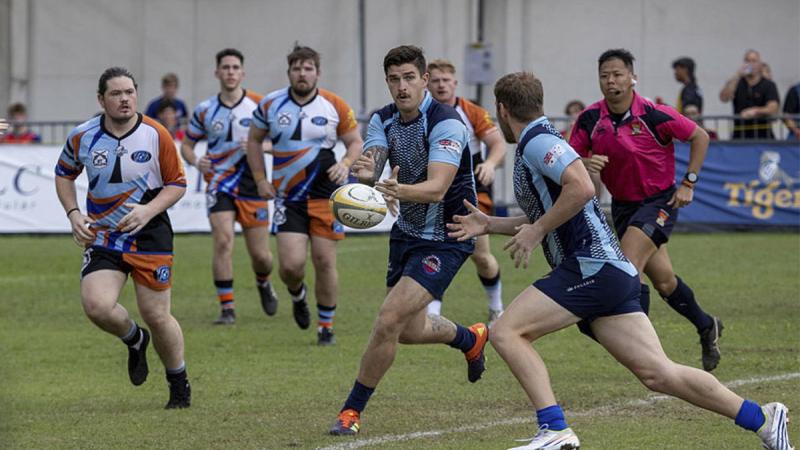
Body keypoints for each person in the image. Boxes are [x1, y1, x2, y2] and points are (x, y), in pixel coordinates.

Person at [448, 70, 792, 450]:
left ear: (502, 109)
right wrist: (490, 224)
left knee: (506, 331)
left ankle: (554, 428)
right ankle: (763, 419)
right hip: (609, 271)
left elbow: (581, 188)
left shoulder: (537, 141)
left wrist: (538, 229)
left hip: (591, 266)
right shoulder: (542, 139)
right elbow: (552, 210)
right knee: (659, 373)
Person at [327, 45, 489, 436]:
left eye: (409, 78)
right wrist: (366, 175)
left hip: (449, 235)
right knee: (409, 330)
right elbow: (372, 167)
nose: (402, 87)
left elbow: (437, 188)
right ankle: (470, 338)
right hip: (407, 233)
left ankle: (351, 411)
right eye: (394, 79)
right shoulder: (382, 119)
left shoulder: (447, 122)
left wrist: (392, 189)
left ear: (424, 80)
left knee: (387, 320)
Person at [569, 49, 723, 372]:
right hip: (623, 208)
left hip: (659, 203)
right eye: (604, 76)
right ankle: (707, 325)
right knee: (665, 283)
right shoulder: (589, 119)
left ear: (632, 78)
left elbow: (699, 136)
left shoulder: (654, 114)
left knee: (628, 267)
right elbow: (568, 159)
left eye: (617, 74)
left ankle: (646, 355)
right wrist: (584, 161)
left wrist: (689, 183)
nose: (611, 81)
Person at [53, 67, 191, 409]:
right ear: (101, 100)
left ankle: (178, 382)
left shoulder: (156, 134)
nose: (125, 99)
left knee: (156, 315)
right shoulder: (82, 135)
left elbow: (177, 184)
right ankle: (134, 338)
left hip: (150, 236)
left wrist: (147, 211)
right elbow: (63, 174)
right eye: (116, 93)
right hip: (104, 235)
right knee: (97, 306)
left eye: (130, 92)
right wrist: (73, 214)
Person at [246, 45, 363, 345]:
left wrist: (345, 164)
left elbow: (355, 142)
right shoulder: (270, 104)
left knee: (324, 260)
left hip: (325, 195)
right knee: (290, 266)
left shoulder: (334, 104)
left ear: (317, 73)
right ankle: (298, 294)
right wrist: (260, 179)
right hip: (288, 197)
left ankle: (326, 327)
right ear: (289, 73)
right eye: (297, 68)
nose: (302, 73)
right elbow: (254, 141)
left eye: (308, 68)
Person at [181, 48, 278, 325]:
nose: (230, 72)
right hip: (219, 183)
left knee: (261, 256)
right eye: (225, 67)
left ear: (242, 73)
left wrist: (261, 146)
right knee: (223, 242)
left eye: (235, 68)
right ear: (217, 73)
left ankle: (263, 281)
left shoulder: (260, 106)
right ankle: (227, 309)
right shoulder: (205, 110)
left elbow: (280, 142)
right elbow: (186, 146)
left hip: (253, 184)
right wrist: (196, 161)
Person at [425, 58, 506, 324]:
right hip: (434, 191)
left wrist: (490, 164)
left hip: (470, 192)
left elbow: (498, 144)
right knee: (433, 250)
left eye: (445, 80)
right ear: (427, 84)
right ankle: (432, 312)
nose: (441, 85)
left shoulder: (471, 111)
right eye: (435, 80)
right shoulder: (421, 112)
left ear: (455, 83)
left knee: (480, 255)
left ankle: (496, 307)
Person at [719, 49, 780, 139]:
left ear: (760, 64)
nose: (750, 64)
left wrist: (755, 111)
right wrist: (737, 76)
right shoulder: (737, 82)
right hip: (740, 136)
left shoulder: (768, 84)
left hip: (763, 137)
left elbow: (773, 108)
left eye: (754, 61)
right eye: (747, 61)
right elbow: (724, 98)